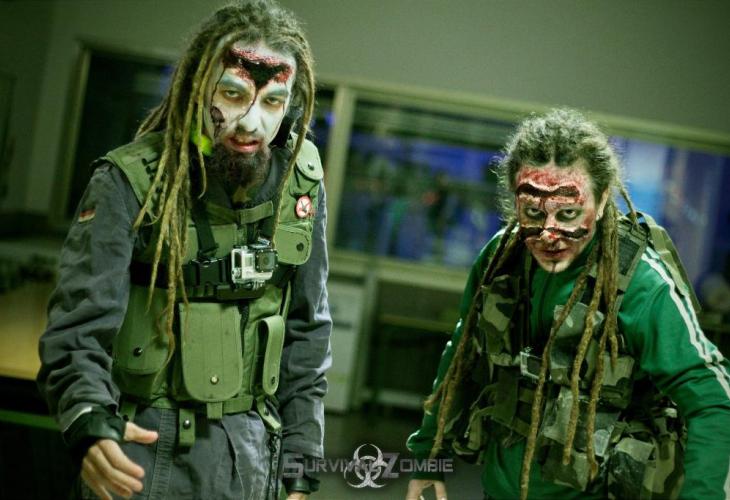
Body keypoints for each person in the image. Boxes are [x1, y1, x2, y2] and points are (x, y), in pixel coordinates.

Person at [36, 1, 331, 499]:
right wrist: (88, 420)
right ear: (197, 86)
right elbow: (78, 329)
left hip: (250, 455)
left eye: (273, 102)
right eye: (233, 94)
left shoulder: (300, 184)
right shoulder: (130, 182)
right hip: (140, 449)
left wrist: (301, 466)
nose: (252, 123)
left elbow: (308, 335)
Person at [406, 109, 730, 499]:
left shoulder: (642, 284)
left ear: (603, 198)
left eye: (569, 213)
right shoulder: (501, 257)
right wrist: (428, 456)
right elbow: (461, 356)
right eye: (533, 212)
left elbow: (713, 399)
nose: (549, 234)